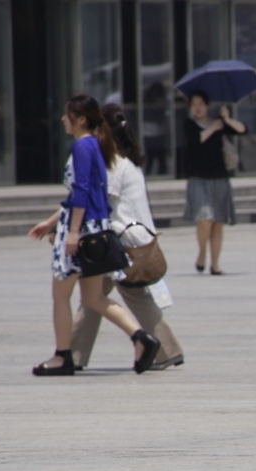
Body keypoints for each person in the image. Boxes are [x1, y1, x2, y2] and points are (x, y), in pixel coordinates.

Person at [28, 94, 161, 376]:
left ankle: (62, 356)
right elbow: (85, 191)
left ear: (81, 120)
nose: (63, 120)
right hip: (96, 227)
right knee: (94, 299)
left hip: (81, 229)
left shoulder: (83, 147)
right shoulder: (98, 148)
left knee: (61, 296)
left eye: (67, 115)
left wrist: (71, 231)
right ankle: (141, 338)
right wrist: (50, 222)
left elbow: (83, 192)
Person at [70, 104, 186, 372]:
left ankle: (73, 354)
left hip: (120, 243)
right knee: (107, 296)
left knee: (95, 296)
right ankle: (169, 350)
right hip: (138, 241)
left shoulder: (113, 163)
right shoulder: (131, 160)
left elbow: (102, 201)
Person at [184, 90, 247, 275]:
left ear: (208, 106)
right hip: (197, 178)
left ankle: (215, 263)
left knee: (218, 222)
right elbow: (197, 139)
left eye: (201, 104)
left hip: (219, 177)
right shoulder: (189, 124)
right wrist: (214, 127)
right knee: (204, 219)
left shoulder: (220, 123)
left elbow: (242, 129)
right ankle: (202, 252)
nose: (197, 108)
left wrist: (226, 120)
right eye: (194, 104)